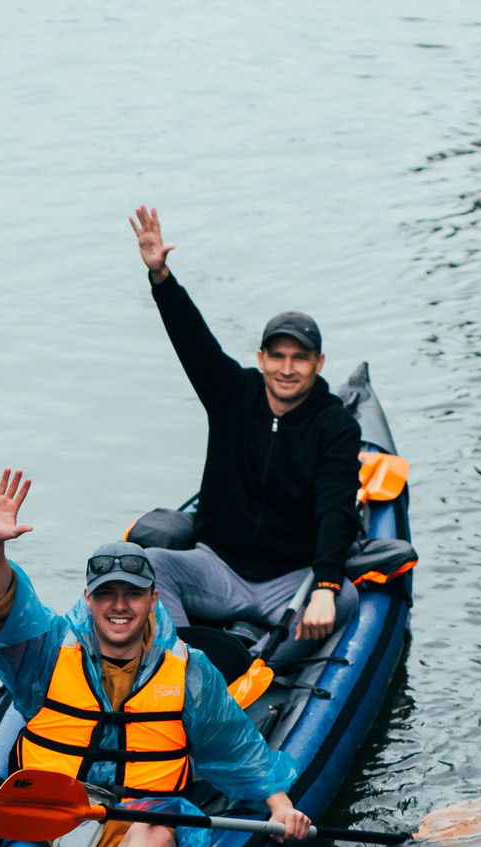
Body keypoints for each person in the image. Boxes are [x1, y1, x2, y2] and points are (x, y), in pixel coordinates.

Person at [0, 471, 312, 847]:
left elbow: (238, 749)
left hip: (135, 835)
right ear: (88, 599)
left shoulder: (188, 673)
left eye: (132, 594)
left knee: (157, 834)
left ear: (153, 600)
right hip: (49, 827)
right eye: (106, 594)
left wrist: (280, 805)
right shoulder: (47, 652)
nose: (119, 606)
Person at [126, 206, 364, 651]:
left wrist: (327, 588)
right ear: (261, 359)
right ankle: (183, 663)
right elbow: (193, 342)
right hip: (219, 569)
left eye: (300, 358)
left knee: (347, 597)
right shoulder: (233, 393)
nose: (287, 369)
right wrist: (161, 277)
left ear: (319, 364)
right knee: (151, 564)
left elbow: (336, 509)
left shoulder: (335, 425)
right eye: (277, 356)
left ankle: (263, 669)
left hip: (288, 582)